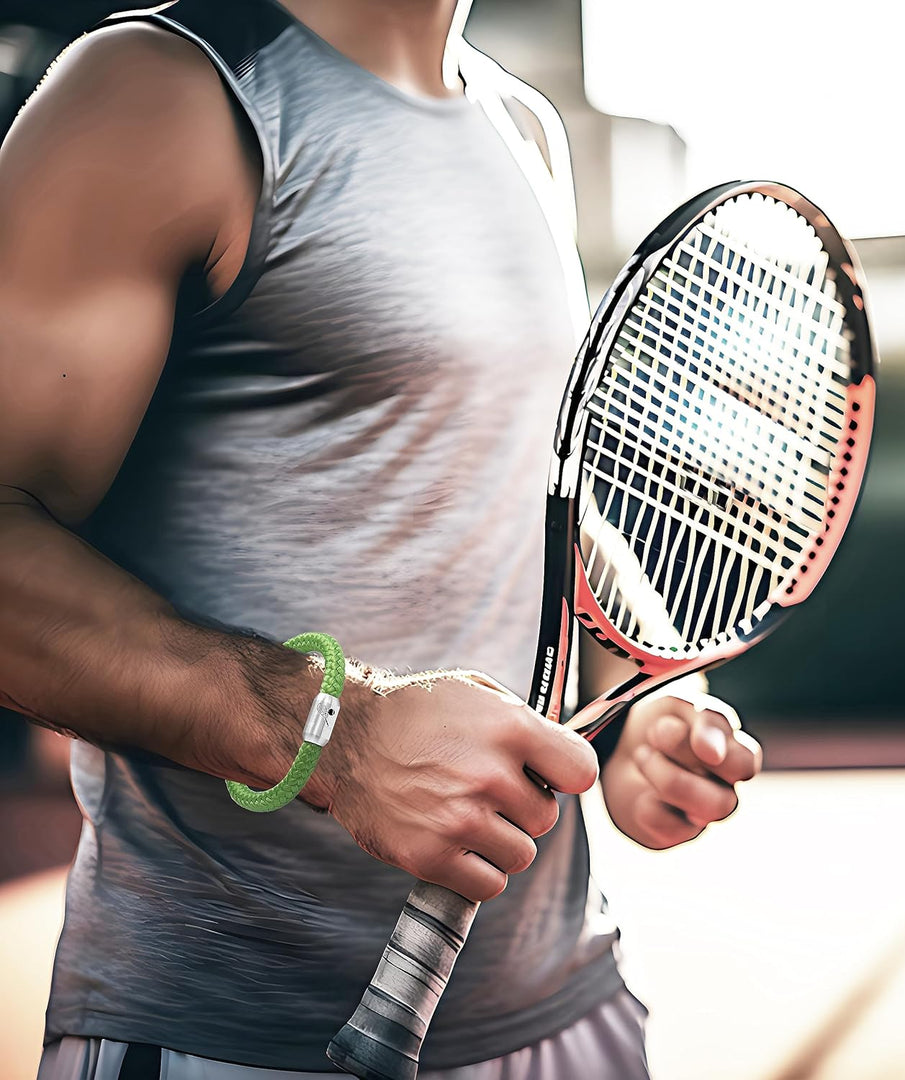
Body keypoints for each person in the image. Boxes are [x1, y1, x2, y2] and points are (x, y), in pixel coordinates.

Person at [0, 1, 763, 1076]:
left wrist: (633, 705)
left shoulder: (523, 123)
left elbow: (521, 484)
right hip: (233, 1037)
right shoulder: (152, 92)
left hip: (568, 1011)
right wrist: (335, 732)